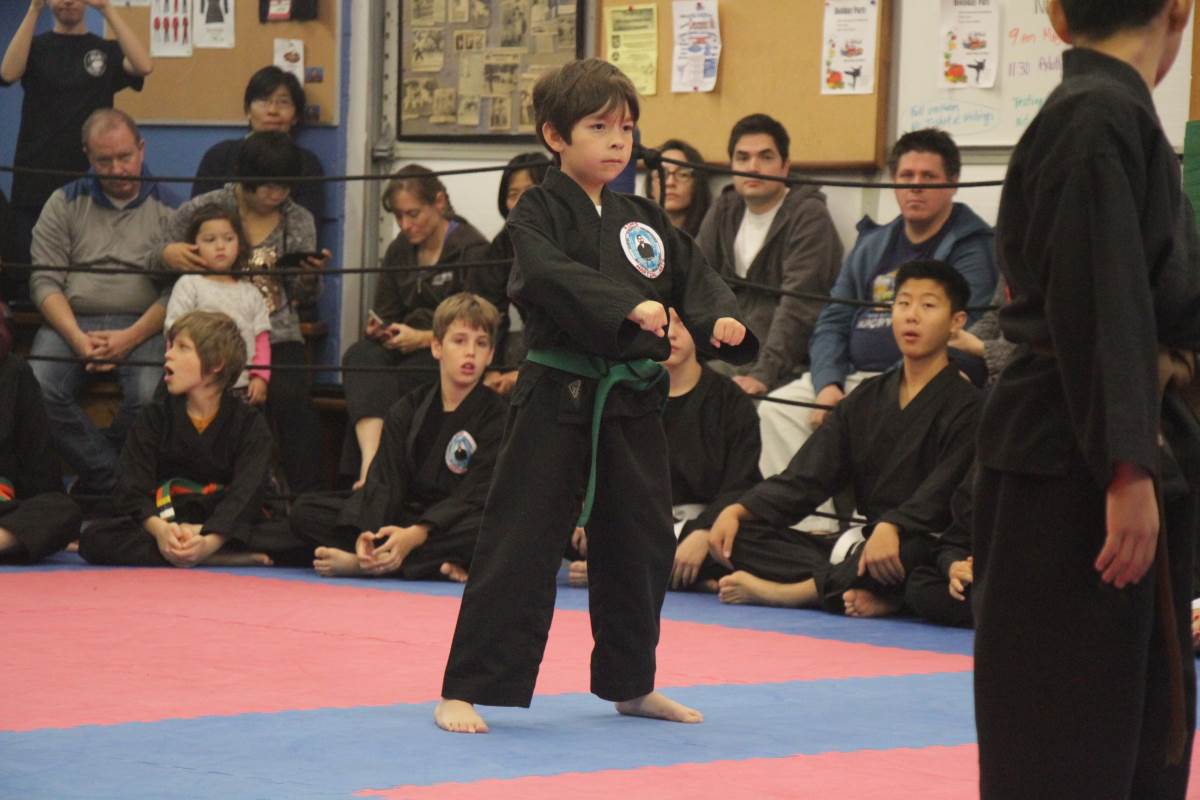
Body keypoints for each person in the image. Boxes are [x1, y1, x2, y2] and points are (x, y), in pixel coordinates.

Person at [434, 58, 758, 735]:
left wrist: (718, 318)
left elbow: (692, 274)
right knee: (521, 536)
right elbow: (544, 275)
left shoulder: (642, 217)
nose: (618, 141)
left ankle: (630, 682)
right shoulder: (538, 210)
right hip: (557, 393)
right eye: (599, 127)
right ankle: (467, 686)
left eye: (627, 128)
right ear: (555, 136)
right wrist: (627, 305)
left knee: (641, 539)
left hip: (632, 399)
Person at [973, 1, 1199, 796]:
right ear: (1179, 9)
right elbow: (1104, 301)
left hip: (1098, 441)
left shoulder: (1105, 113)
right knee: (1067, 719)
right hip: (1074, 461)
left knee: (1134, 716)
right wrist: (1126, 466)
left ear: (1057, 17)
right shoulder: (1096, 118)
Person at [704, 260, 979, 618]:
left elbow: (940, 494)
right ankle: (864, 587)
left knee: (915, 555)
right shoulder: (866, 397)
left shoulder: (968, 405)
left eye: (928, 305)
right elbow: (807, 477)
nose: (912, 316)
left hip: (918, 542)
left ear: (957, 322)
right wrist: (742, 509)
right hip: (865, 548)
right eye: (903, 303)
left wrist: (895, 525)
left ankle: (796, 592)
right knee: (738, 535)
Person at [756, 129, 997, 483]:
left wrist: (873, 394)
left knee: (875, 422)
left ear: (953, 183)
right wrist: (828, 383)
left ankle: (863, 519)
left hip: (916, 381)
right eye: (906, 176)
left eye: (928, 177)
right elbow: (833, 319)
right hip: (849, 375)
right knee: (777, 411)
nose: (916, 186)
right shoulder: (873, 243)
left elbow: (964, 332)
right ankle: (803, 519)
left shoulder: (973, 247)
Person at [158, 131, 328, 495]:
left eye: (285, 186)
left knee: (292, 400)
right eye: (268, 185)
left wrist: (310, 276)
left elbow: (304, 296)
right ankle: (170, 485)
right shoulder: (207, 208)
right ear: (246, 178)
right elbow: (154, 258)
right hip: (206, 335)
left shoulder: (298, 219)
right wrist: (167, 255)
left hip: (274, 332)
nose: (277, 194)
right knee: (167, 394)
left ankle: (307, 498)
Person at [290, 293, 505, 580]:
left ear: (491, 354)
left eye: (481, 344)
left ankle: (366, 564)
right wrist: (366, 533)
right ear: (437, 347)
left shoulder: (498, 415)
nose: (471, 353)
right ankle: (397, 558)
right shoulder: (408, 408)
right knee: (305, 511)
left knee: (499, 527)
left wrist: (419, 532)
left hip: (452, 521)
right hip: (403, 518)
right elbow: (385, 481)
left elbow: (476, 494)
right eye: (459, 341)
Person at [78, 311, 307, 568]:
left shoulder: (249, 423)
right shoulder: (155, 416)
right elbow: (131, 488)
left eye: (182, 347)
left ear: (216, 363)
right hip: (171, 518)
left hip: (226, 520)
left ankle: (202, 552)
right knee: (94, 539)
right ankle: (217, 558)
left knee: (296, 534)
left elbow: (247, 493)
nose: (168, 354)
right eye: (170, 346)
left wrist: (209, 538)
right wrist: (161, 530)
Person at [28, 108, 176, 499]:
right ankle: (114, 483)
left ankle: (98, 485)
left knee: (151, 394)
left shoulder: (173, 208)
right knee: (36, 386)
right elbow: (44, 280)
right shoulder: (63, 202)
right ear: (88, 156)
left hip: (144, 324)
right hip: (72, 321)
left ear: (141, 149)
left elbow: (177, 292)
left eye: (125, 156)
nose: (117, 169)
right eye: (104, 160)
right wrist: (77, 338)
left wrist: (131, 337)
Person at [567, 307, 763, 590]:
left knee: (742, 541)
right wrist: (593, 512)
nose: (671, 333)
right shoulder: (622, 391)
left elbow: (741, 484)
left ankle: (617, 568)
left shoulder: (731, 402)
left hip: (697, 527)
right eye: (663, 323)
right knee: (552, 514)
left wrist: (703, 531)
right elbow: (598, 467)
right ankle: (657, 571)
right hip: (629, 522)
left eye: (682, 323)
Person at [341, 165, 490, 486]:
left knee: (396, 384)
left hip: (443, 351)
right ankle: (371, 461)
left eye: (413, 214)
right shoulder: (399, 249)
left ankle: (377, 475)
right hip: (402, 344)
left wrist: (424, 338)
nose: (405, 225)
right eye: (398, 216)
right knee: (359, 356)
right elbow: (386, 310)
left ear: (439, 203)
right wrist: (380, 329)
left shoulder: (471, 248)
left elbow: (480, 321)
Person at [0, 0, 152, 300]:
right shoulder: (35, 47)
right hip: (36, 175)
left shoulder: (105, 50)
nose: (67, 1)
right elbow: (7, 73)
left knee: (87, 267)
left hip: (92, 178)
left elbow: (143, 66)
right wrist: (34, 9)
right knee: (33, 275)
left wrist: (107, 10)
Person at [696, 113, 842, 396]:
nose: (753, 167)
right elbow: (695, 283)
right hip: (721, 355)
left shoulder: (809, 216)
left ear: (785, 166)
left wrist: (763, 375)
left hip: (784, 366)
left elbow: (800, 306)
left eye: (765, 157)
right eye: (743, 158)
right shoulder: (724, 209)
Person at [191, 66, 326, 227]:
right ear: (248, 110)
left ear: (296, 116)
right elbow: (198, 220)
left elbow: (307, 226)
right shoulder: (219, 156)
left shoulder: (307, 163)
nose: (272, 110)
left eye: (283, 102)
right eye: (263, 100)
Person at [164, 205, 271, 398]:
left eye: (229, 239)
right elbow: (174, 333)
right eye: (210, 240)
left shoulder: (251, 293)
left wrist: (260, 377)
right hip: (196, 384)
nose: (220, 246)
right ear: (193, 245)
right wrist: (177, 371)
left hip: (240, 385)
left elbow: (261, 339)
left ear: (240, 243)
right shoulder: (189, 285)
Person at [0, 340, 81, 564]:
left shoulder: (13, 370)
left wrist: (55, 532)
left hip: (4, 505)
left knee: (63, 510)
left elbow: (38, 457)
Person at [478, 151, 550, 397]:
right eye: (512, 194)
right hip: (532, 344)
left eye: (530, 191)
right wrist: (492, 369)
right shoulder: (503, 244)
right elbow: (489, 309)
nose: (520, 202)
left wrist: (526, 371)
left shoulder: (572, 237)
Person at [643, 139, 712, 238]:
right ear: (651, 187)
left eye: (683, 174)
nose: (670, 182)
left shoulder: (711, 232)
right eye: (662, 174)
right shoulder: (639, 231)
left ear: (697, 184)